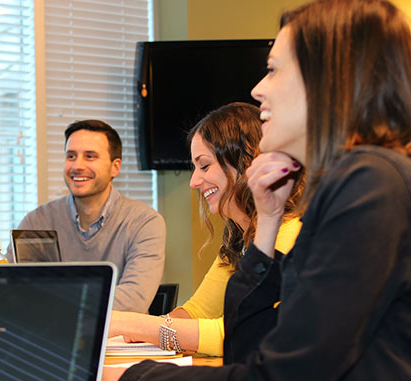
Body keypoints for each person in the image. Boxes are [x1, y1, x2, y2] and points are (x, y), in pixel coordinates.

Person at [102, 1, 411, 381]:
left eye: (274, 69)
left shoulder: (372, 184)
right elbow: (246, 349)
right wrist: (266, 221)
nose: (258, 88)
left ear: (331, 78)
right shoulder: (347, 185)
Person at [109, 102, 302, 357]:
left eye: (205, 165)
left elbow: (243, 333)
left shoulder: (290, 236)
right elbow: (197, 312)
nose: (193, 181)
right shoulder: (238, 240)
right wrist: (143, 332)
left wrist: (137, 324)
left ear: (244, 162)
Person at [9, 119, 166, 313]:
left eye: (90, 156)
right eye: (71, 156)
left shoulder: (145, 222)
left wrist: (55, 305)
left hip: (117, 341)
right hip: (52, 338)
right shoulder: (36, 222)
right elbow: (14, 291)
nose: (77, 166)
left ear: (115, 167)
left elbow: (133, 301)